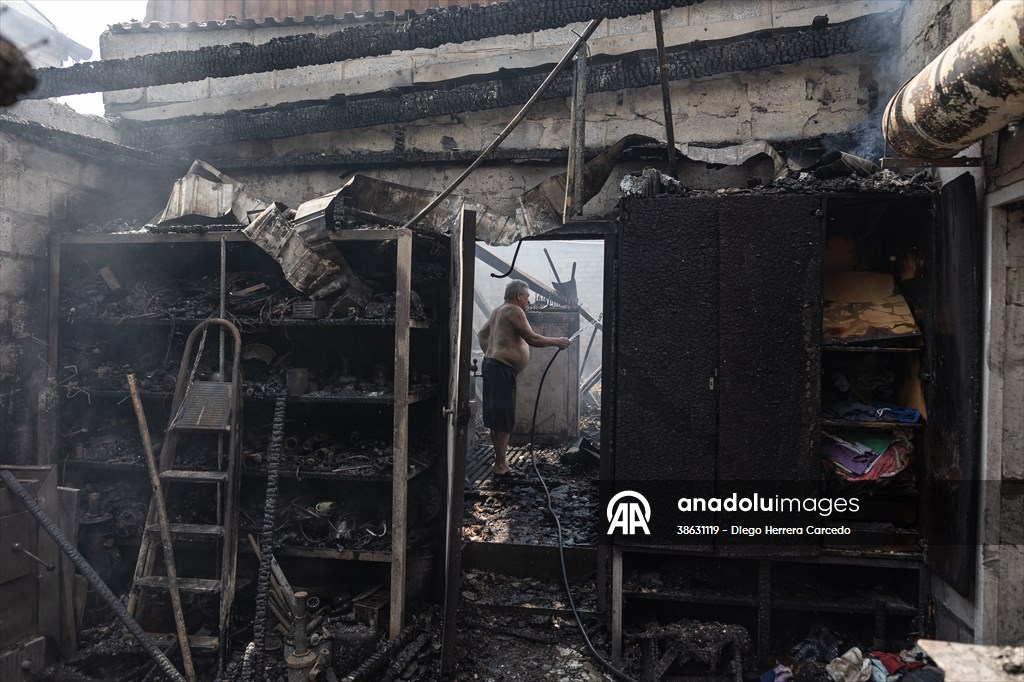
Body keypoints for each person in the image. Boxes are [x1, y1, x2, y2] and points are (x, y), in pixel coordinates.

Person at [477, 280, 570, 476]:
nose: (528, 302)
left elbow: (481, 333)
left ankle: (499, 463)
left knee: (496, 418)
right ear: (519, 296)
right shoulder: (514, 310)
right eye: (527, 297)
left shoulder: (497, 311)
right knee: (503, 420)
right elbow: (532, 338)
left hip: (492, 367)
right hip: (501, 370)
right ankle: (501, 466)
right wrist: (558, 341)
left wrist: (492, 353)